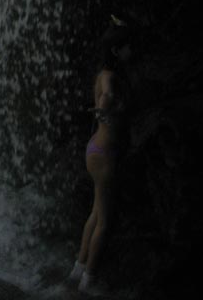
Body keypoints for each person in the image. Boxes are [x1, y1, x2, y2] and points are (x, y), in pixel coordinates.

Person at [70, 19, 132, 294]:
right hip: (104, 151)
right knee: (105, 220)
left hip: (94, 148)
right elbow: (106, 94)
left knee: (95, 212)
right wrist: (108, 107)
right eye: (128, 46)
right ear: (117, 50)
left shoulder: (102, 73)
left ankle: (78, 267)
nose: (133, 50)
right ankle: (89, 280)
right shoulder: (109, 76)